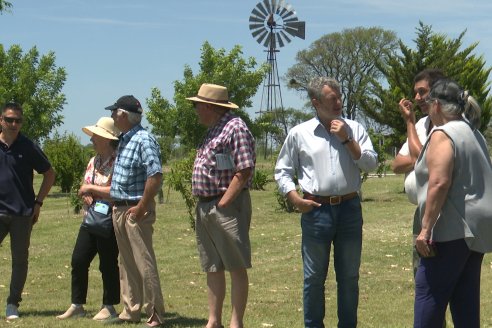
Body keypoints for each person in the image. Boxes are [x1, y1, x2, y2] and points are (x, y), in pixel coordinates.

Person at [275, 77, 377, 328]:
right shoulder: (299, 133)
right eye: (333, 99)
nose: (339, 102)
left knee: (349, 278)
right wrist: (293, 197)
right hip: (316, 210)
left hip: (349, 209)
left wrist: (347, 139)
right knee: (313, 278)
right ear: (316, 102)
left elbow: (371, 164)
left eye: (340, 97)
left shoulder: (354, 128)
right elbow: (282, 170)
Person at [413, 79, 492, 327]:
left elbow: (439, 182)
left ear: (436, 105)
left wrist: (425, 229)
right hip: (477, 230)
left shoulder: (442, 133)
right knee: (465, 300)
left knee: (429, 294)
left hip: (453, 228)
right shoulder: (473, 132)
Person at [186, 83, 256, 328]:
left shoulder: (234, 127)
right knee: (212, 265)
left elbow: (244, 168)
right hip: (206, 206)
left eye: (197, 106)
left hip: (225, 206)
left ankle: (236, 322)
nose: (195, 110)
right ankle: (214, 321)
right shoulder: (215, 129)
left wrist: (224, 202)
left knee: (236, 265)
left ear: (208, 106)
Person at [105, 95, 165, 327]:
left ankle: (155, 313)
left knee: (143, 261)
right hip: (120, 208)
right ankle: (130, 310)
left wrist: (141, 207)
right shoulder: (124, 140)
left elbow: (156, 174)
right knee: (126, 262)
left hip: (136, 209)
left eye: (114, 112)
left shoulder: (143, 140)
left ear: (123, 115)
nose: (112, 116)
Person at [56, 117, 120, 320]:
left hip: (108, 221)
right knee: (78, 260)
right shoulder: (93, 161)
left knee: (107, 263)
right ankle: (77, 305)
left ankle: (109, 306)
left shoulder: (118, 161)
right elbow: (85, 184)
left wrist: (92, 189)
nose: (91, 139)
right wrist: (85, 193)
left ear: (106, 139)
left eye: (95, 136)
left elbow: (118, 191)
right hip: (90, 218)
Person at [0, 102, 55, 320]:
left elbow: (50, 174)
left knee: (20, 260)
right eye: (10, 120)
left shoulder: (28, 147)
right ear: (1, 120)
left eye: (18, 121)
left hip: (22, 214)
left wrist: (38, 203)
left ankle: (13, 304)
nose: (14, 124)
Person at [391, 68, 445, 276]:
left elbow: (422, 158)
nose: (416, 98)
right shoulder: (422, 125)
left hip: (442, 212)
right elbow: (396, 165)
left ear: (438, 91)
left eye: (422, 92)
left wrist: (409, 123)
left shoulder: (446, 125)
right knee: (420, 272)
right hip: (421, 213)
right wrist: (418, 156)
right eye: (415, 92)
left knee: (441, 276)